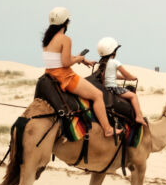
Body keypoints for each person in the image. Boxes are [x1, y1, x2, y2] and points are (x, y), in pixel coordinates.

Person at [41, 7, 116, 137]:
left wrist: (81, 59)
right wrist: (77, 59)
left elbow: (60, 60)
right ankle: (108, 129)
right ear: (65, 22)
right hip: (65, 77)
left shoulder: (48, 39)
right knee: (98, 95)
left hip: (50, 75)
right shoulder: (65, 39)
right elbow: (65, 63)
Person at [96, 37, 148, 126]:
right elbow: (126, 74)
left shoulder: (102, 63)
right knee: (133, 96)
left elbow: (112, 76)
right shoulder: (115, 62)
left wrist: (124, 78)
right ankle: (139, 116)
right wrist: (132, 77)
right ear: (113, 52)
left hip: (104, 89)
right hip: (113, 89)